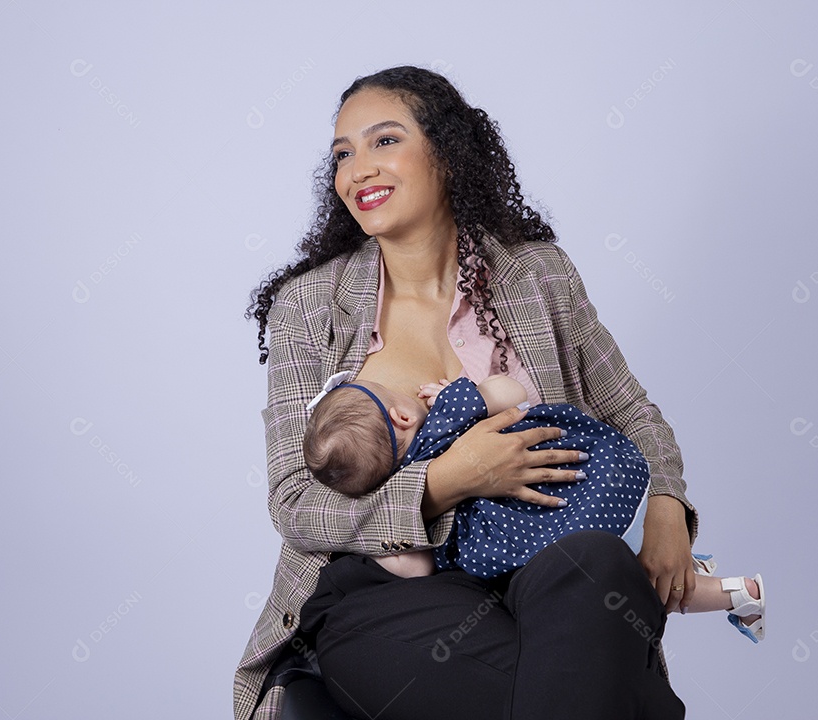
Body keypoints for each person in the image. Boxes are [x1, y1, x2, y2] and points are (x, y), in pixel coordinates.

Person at [237, 65, 701, 719]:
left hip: (540, 568)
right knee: (606, 680)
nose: (356, 169)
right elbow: (296, 503)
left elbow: (629, 409)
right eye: (342, 153)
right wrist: (447, 480)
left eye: (384, 141)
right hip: (386, 589)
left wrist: (667, 508)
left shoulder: (538, 274)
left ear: (447, 154)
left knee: (602, 566)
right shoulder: (310, 307)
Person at [301, 374, 765, 640]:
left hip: (549, 559)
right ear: (403, 414)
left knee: (629, 587)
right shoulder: (447, 411)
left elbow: (417, 568)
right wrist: (450, 394)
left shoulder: (399, 490)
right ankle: (724, 586)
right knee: (625, 574)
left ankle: (737, 594)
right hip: (590, 487)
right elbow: (506, 391)